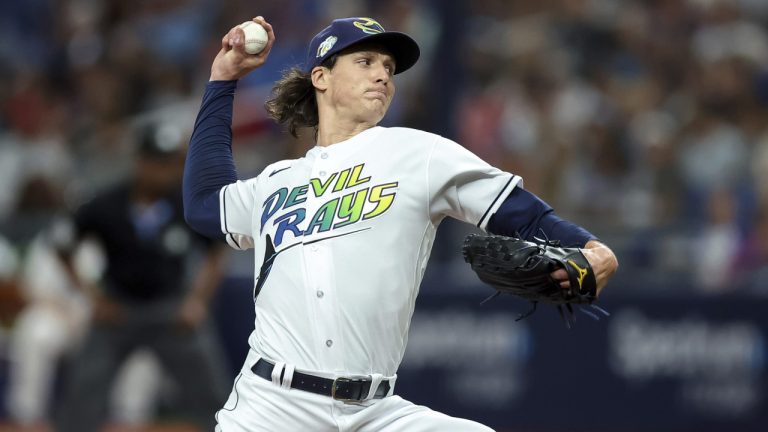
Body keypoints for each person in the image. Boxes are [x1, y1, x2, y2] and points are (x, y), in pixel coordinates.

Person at [183, 16, 618, 431]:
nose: (383, 76)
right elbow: (204, 204)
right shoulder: (276, 182)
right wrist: (222, 80)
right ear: (321, 77)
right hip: (272, 407)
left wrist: (594, 248)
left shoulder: (418, 154)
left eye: (389, 68)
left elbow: (525, 214)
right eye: (365, 61)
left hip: (374, 411)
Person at [53, 123, 229, 432]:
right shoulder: (106, 204)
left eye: (173, 162)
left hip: (171, 310)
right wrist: (93, 298)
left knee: (214, 395)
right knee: (84, 391)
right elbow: (63, 246)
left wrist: (197, 302)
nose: (168, 171)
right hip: (118, 311)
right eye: (159, 163)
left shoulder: (186, 204)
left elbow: (216, 253)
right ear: (140, 162)